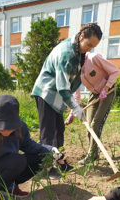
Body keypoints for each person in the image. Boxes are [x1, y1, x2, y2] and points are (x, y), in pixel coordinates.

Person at [31, 23, 103, 177]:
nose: (89, 49)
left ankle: (59, 162)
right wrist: (75, 107)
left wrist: (74, 104)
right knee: (48, 132)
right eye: (89, 44)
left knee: (59, 130)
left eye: (93, 47)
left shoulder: (79, 50)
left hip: (58, 94)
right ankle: (46, 168)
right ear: (82, 36)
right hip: (47, 92)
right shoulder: (66, 53)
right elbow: (62, 87)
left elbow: (71, 82)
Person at [65, 52, 119, 164]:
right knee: (89, 126)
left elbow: (115, 71)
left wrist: (106, 88)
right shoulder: (75, 69)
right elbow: (76, 92)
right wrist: (72, 112)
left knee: (95, 124)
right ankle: (94, 154)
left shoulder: (94, 58)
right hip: (93, 94)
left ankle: (91, 154)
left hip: (108, 91)